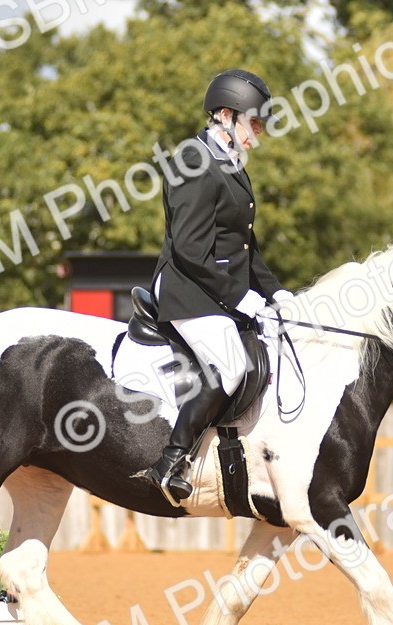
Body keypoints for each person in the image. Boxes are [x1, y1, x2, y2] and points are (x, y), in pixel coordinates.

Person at [143, 68, 292, 505]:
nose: (258, 135)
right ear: (227, 115)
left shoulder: (232, 166)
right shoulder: (192, 160)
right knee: (230, 365)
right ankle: (171, 460)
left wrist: (275, 292)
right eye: (254, 123)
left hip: (219, 290)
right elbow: (189, 248)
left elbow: (246, 247)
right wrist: (240, 296)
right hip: (188, 290)